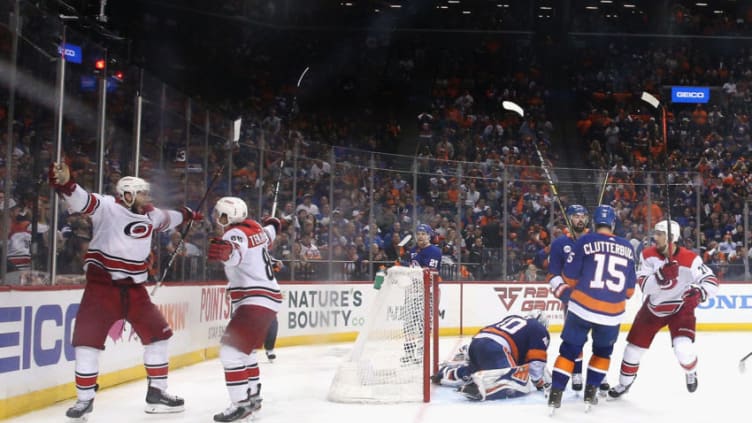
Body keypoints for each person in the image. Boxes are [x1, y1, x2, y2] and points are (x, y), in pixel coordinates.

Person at [48, 162, 200, 420]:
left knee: (159, 336)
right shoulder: (107, 207)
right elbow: (82, 200)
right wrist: (65, 182)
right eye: (142, 192)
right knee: (87, 342)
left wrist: (188, 214)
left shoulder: (150, 215)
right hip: (101, 287)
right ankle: (84, 400)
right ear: (127, 195)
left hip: (135, 290)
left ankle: (157, 393)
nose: (147, 197)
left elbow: (171, 217)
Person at [608, 220, 719, 398]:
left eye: (660, 234)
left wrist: (699, 292)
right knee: (632, 351)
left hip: (681, 309)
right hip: (653, 309)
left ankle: (691, 371)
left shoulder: (690, 259)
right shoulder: (647, 255)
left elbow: (712, 282)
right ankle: (624, 384)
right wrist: (660, 276)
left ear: (672, 238)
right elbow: (644, 287)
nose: (655, 237)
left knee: (683, 349)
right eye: (656, 233)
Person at [547, 204, 636, 413]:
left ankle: (555, 394)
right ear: (613, 224)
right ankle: (591, 392)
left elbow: (568, 277)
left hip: (582, 306)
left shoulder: (586, 240)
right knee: (603, 353)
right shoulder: (628, 247)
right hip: (612, 313)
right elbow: (630, 292)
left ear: (593, 223)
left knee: (568, 350)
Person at [207, 196, 283, 422]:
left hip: (255, 299)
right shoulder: (258, 228)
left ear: (226, 217)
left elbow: (234, 254)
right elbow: (272, 229)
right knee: (246, 352)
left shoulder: (234, 233)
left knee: (230, 352)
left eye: (218, 214)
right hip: (266, 299)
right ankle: (253, 397)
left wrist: (226, 252)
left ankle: (240, 405)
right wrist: (274, 222)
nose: (215, 218)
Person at [430, 311, 551, 401]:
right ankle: (479, 385)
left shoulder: (516, 319)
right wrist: (539, 382)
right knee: (520, 382)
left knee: (486, 368)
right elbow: (536, 362)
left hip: (477, 342)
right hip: (496, 348)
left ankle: (449, 373)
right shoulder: (539, 328)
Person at [547, 204, 589, 390]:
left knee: (601, 337)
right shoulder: (559, 244)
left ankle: (599, 375)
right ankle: (577, 372)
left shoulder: (593, 241)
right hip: (573, 301)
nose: (580, 219)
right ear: (569, 219)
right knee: (574, 337)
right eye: (576, 216)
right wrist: (565, 294)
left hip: (596, 297)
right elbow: (553, 275)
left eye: (583, 216)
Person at [400, 223, 442, 364]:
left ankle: (421, 352)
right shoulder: (413, 251)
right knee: (409, 324)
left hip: (428, 292)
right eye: (418, 233)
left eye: (424, 233)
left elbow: (429, 272)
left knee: (424, 324)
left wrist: (410, 268)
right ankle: (409, 352)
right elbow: (410, 267)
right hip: (412, 292)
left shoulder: (435, 251)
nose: (420, 236)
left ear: (429, 236)